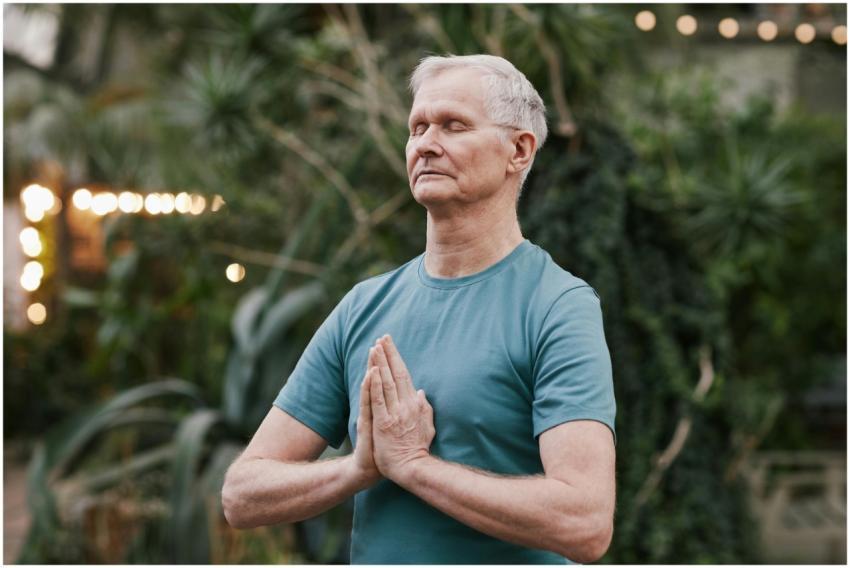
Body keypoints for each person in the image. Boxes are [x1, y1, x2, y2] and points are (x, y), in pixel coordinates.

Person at [221, 54, 616, 564]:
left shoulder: (557, 307)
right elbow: (241, 494)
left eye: (453, 126)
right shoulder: (364, 305)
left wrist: (414, 465)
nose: (426, 144)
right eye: (418, 127)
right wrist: (359, 469)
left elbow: (584, 521)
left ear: (518, 150)